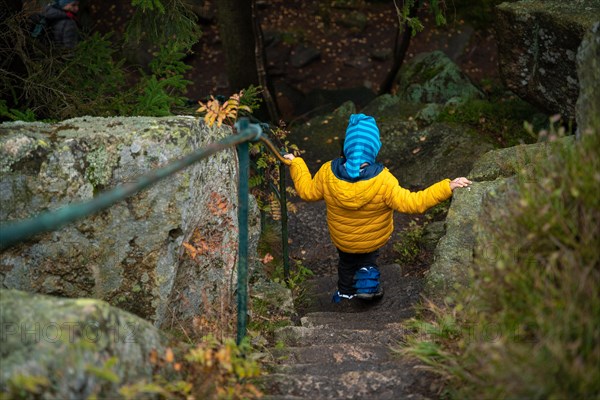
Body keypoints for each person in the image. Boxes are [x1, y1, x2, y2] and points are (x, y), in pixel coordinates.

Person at [283, 113, 472, 302]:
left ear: (347, 147)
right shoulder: (384, 180)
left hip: (343, 239)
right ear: (374, 148)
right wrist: (447, 187)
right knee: (367, 260)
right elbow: (415, 203)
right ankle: (367, 284)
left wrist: (296, 163)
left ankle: (344, 293)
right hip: (373, 239)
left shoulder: (327, 172)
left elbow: (307, 192)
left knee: (346, 263)